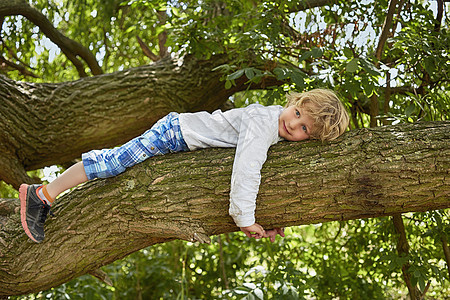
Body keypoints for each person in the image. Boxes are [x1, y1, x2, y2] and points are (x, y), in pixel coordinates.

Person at [19, 89, 349, 243]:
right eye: (297, 116)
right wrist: (245, 219)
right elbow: (247, 169)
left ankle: (46, 193)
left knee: (120, 166)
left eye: (305, 129)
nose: (294, 126)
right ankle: (43, 194)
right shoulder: (263, 123)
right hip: (174, 133)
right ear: (294, 103)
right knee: (114, 162)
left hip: (180, 138)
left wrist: (271, 218)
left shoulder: (271, 127)